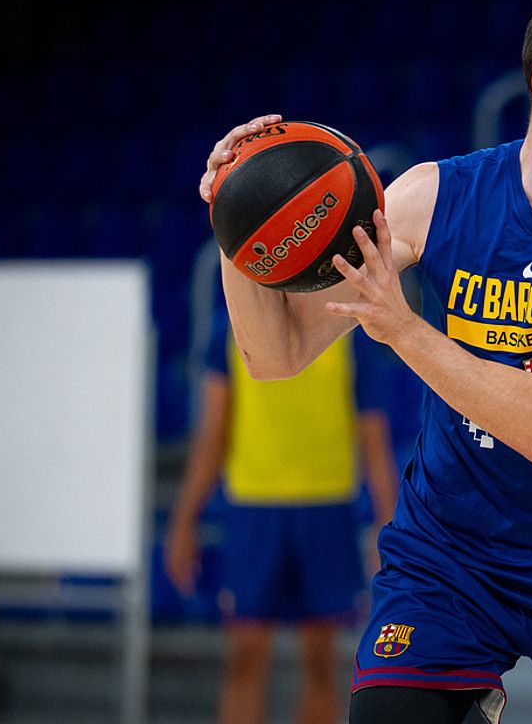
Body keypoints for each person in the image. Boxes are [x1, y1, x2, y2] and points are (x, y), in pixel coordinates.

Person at [199, 0, 532, 723]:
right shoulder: (434, 198)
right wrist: (236, 220)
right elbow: (276, 354)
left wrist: (403, 329)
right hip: (450, 557)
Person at [164, 296, 400, 724]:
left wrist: (391, 531)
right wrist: (184, 521)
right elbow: (211, 434)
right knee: (245, 658)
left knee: (321, 663)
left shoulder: (349, 328)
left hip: (326, 508)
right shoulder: (230, 327)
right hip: (255, 508)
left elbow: (374, 438)